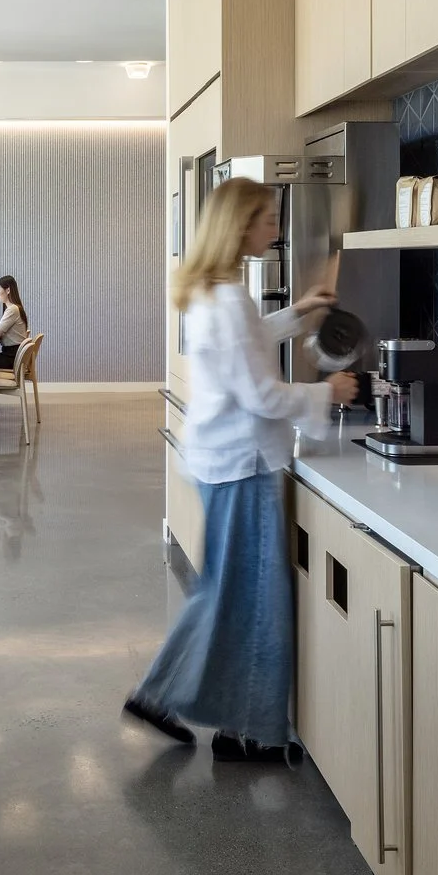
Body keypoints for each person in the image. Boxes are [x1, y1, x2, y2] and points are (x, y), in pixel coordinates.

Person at [124, 177, 357, 762]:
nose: (275, 228)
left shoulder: (218, 292)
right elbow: (262, 396)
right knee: (241, 595)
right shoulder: (228, 300)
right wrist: (327, 391)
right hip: (240, 464)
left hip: (220, 459)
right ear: (239, 226)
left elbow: (244, 345)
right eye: (267, 219)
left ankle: (237, 726)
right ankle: (188, 707)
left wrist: (298, 314)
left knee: (235, 593)